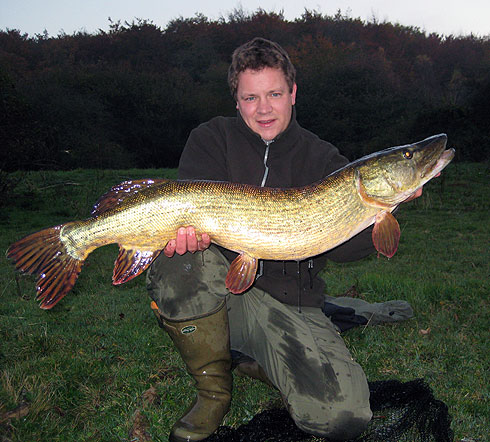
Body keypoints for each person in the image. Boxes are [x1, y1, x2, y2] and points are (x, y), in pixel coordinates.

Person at [147, 37, 417, 442]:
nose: (263, 108)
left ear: (292, 93)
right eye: (250, 97)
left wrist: (385, 211)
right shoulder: (210, 139)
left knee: (344, 417)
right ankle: (213, 392)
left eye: (274, 93)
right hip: (222, 294)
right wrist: (184, 240)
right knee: (182, 262)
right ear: (236, 101)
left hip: (293, 303)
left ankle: (253, 358)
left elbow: (347, 250)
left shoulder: (323, 159)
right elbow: (186, 214)